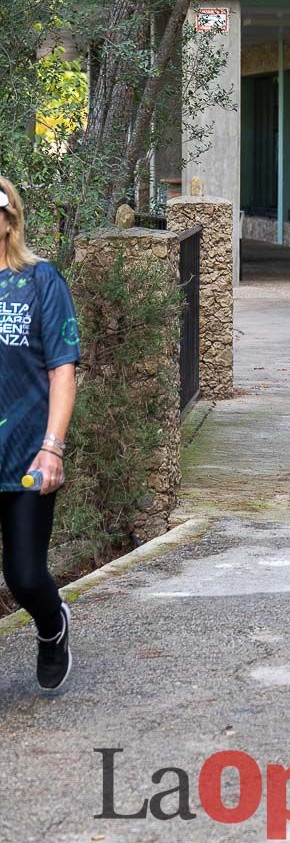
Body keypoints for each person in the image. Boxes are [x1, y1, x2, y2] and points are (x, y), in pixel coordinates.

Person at [0, 176, 81, 689]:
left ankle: (52, 628)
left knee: (25, 576)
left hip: (26, 454)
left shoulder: (39, 280)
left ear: (9, 218)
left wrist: (52, 448)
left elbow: (63, 372)